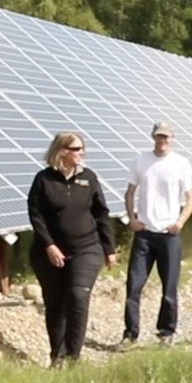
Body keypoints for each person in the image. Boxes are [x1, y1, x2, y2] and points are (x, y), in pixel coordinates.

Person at [26, 131, 117, 366]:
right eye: (76, 149)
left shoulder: (89, 178)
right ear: (62, 151)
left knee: (77, 296)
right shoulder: (44, 180)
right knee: (55, 303)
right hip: (49, 251)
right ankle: (57, 354)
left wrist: (109, 248)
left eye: (82, 148)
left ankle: (73, 358)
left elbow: (101, 213)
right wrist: (49, 245)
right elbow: (36, 215)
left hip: (87, 248)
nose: (81, 153)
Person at [121, 121, 192, 345]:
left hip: (169, 234)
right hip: (144, 234)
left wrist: (180, 222)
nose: (162, 140)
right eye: (158, 136)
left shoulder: (181, 163)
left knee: (169, 287)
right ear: (153, 137)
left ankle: (166, 332)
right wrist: (132, 219)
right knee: (134, 285)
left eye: (166, 137)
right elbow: (129, 192)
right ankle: (130, 333)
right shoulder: (140, 161)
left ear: (172, 138)